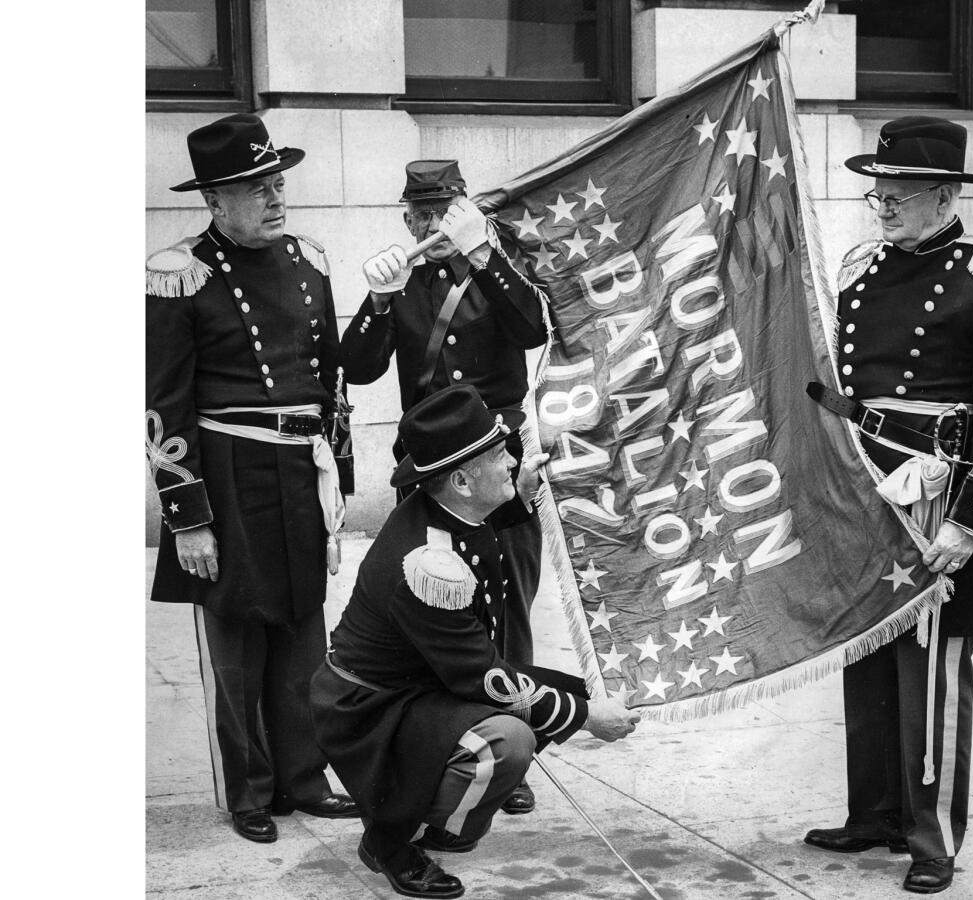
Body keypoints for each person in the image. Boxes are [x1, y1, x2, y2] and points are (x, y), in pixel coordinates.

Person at [802, 116, 973, 894]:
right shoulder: (861, 265)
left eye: (895, 195)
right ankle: (872, 812)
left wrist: (972, 519)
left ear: (942, 195)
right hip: (866, 485)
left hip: (938, 487)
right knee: (864, 654)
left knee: (931, 669)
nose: (881, 207)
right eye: (877, 195)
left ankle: (930, 837)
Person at [309, 385, 640, 898]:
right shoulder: (425, 565)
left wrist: (519, 491)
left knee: (570, 695)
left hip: (420, 680)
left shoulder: (449, 511)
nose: (512, 460)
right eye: (498, 455)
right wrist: (587, 717)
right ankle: (393, 840)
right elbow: (480, 677)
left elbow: (475, 530)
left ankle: (435, 814)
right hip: (373, 707)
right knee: (508, 741)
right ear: (462, 479)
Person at [145, 113, 357, 843]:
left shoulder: (309, 261)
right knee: (236, 636)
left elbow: (331, 383)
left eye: (277, 181)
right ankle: (250, 791)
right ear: (214, 202)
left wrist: (339, 483)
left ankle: (306, 775)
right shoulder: (181, 275)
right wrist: (187, 515)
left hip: (301, 467)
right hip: (228, 471)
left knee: (303, 626)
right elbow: (163, 405)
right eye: (255, 187)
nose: (275, 197)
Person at [338, 159, 551, 812]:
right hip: (430, 470)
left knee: (507, 601)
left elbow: (532, 328)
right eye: (420, 215)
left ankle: (514, 752)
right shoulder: (403, 278)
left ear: (466, 213)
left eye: (443, 213)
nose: (431, 225)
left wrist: (482, 252)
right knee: (431, 603)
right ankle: (447, 743)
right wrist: (377, 300)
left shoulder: (495, 263)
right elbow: (360, 366)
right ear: (407, 218)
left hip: (498, 466)